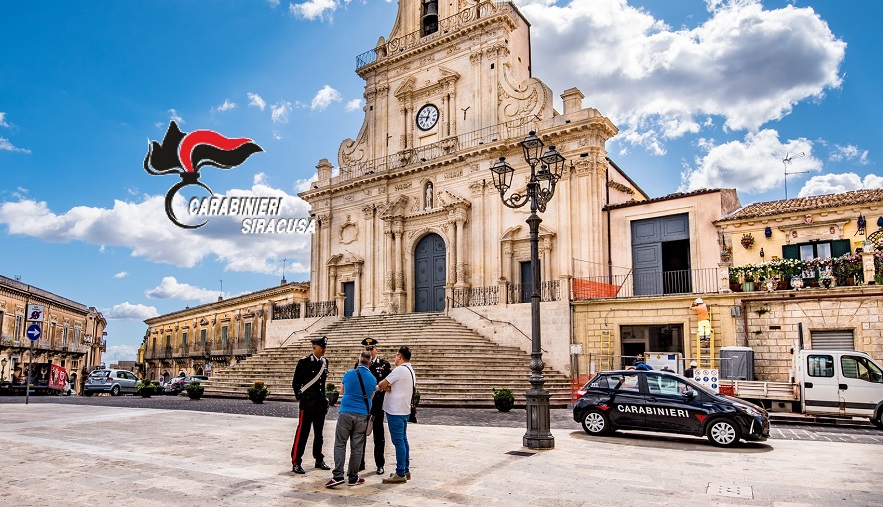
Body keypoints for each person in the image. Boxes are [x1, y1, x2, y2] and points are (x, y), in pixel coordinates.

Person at [325, 351, 377, 488]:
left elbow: (342, 391)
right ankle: (353, 477)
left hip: (346, 412)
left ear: (357, 360)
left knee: (340, 443)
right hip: (362, 415)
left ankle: (338, 476)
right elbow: (371, 396)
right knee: (357, 447)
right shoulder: (373, 379)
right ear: (370, 363)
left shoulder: (348, 374)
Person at [291, 336, 331, 474]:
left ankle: (319, 459)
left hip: (319, 404)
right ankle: (296, 461)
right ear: (315, 348)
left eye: (325, 347)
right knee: (303, 432)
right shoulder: (304, 362)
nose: (324, 350)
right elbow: (296, 383)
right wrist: (301, 397)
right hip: (307, 404)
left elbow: (322, 384)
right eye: (322, 347)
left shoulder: (325, 362)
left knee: (319, 434)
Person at [379, 346, 416, 484]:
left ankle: (400, 472)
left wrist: (381, 387)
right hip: (404, 410)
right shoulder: (410, 370)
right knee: (403, 440)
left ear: (400, 356)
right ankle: (405, 469)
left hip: (395, 411)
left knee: (398, 442)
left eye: (396, 355)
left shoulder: (399, 370)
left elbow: (383, 383)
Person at [358, 337, 391, 475]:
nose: (370, 351)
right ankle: (360, 463)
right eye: (367, 349)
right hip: (364, 405)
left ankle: (380, 464)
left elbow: (389, 383)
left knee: (379, 436)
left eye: (371, 348)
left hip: (377, 405)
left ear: (376, 349)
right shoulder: (360, 364)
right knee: (360, 435)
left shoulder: (384, 365)